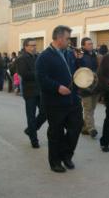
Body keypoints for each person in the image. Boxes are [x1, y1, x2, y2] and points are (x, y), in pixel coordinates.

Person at [35, 25, 83, 173]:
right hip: (54, 102)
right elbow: (41, 79)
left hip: (72, 99)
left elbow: (74, 73)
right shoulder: (44, 56)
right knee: (56, 132)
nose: (70, 41)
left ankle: (67, 155)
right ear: (60, 38)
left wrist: (80, 63)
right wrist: (57, 87)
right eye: (68, 38)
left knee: (76, 127)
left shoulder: (68, 54)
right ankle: (55, 161)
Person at [17, 38, 47, 148]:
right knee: (31, 116)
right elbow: (24, 74)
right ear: (26, 46)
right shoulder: (21, 59)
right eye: (32, 45)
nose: (35, 47)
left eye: (35, 45)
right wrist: (39, 73)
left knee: (45, 112)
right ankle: (34, 140)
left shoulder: (37, 56)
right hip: (30, 92)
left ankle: (30, 129)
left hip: (40, 90)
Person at [78, 37, 100, 138]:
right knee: (88, 108)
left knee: (93, 108)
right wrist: (79, 59)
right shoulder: (80, 56)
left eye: (91, 43)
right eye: (89, 44)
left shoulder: (95, 55)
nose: (91, 45)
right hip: (85, 86)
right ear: (83, 45)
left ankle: (85, 128)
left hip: (95, 86)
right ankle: (91, 128)